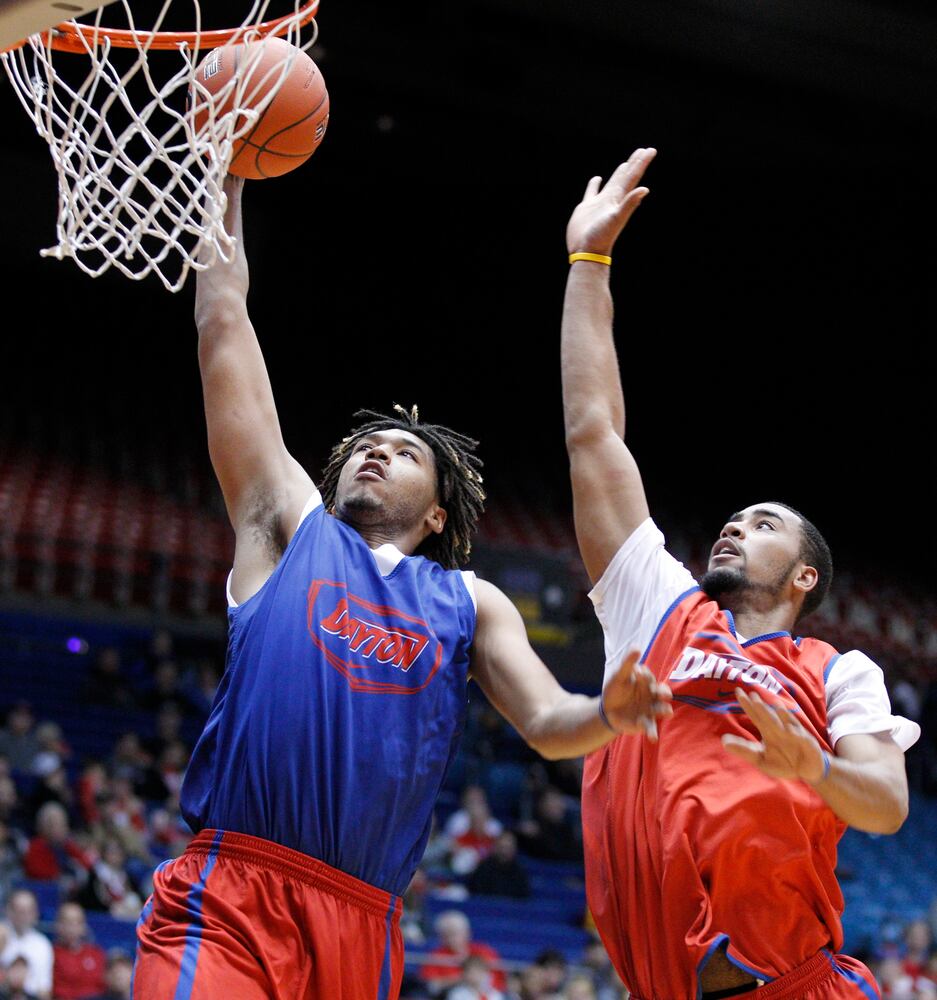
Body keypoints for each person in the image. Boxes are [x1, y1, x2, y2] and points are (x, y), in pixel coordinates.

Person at [130, 174, 672, 1000]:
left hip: (364, 925)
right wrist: (224, 175)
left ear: (436, 515)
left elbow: (546, 722)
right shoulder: (287, 527)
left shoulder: (468, 601)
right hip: (234, 894)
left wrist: (608, 714)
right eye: (364, 445)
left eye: (404, 452)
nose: (375, 452)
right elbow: (223, 323)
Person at [559, 146, 921, 999]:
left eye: (763, 525)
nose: (733, 525)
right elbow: (592, 432)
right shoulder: (654, 604)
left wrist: (814, 770)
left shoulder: (838, 669)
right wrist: (587, 263)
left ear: (803, 578)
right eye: (733, 516)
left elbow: (883, 804)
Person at [0, 889, 52, 1000]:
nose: (23, 915)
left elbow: (44, 990)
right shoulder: (1, 934)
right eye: (18, 909)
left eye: (28, 910)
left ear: (35, 913)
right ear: (8, 910)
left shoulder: (42, 944)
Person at [50, 902, 106, 1000]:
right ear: (58, 925)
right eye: (67, 922)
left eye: (77, 922)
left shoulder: (96, 954)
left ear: (84, 926)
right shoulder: (50, 954)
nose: (71, 927)